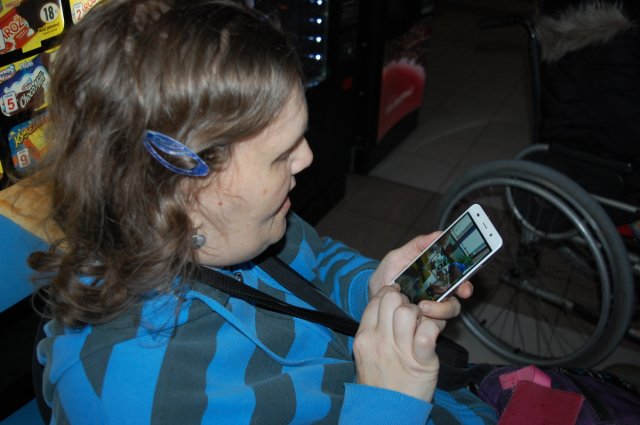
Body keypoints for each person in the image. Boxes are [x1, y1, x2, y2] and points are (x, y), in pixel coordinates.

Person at [29, 0, 497, 423]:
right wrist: (389, 404)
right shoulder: (136, 402)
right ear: (182, 188)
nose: (306, 158)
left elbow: (317, 258)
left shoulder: (243, 225)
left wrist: (374, 288)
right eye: (280, 154)